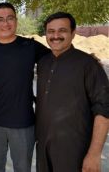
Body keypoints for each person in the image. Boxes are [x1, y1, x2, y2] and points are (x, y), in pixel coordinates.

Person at [0, 2, 50, 172]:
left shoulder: (31, 46)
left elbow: (58, 58)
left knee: (23, 168)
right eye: (0, 19)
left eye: (10, 18)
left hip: (24, 122)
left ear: (16, 21)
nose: (5, 23)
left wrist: (85, 60)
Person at [35, 12, 109, 172]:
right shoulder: (43, 63)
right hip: (43, 148)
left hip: (74, 150)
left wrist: (94, 154)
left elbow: (103, 111)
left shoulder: (88, 65)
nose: (56, 36)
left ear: (73, 33)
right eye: (51, 31)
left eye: (62, 30)